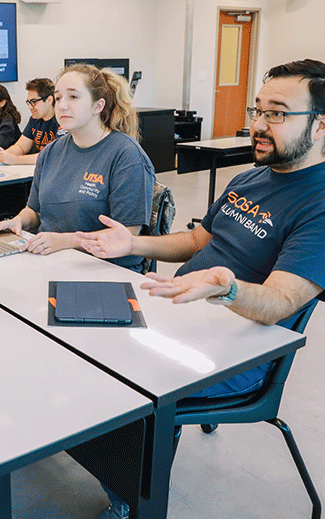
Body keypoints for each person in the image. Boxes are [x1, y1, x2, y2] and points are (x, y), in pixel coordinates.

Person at [78, 58, 325, 519]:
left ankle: (133, 503)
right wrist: (132, 241)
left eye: (277, 113)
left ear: (320, 125)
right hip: (182, 313)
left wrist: (225, 288)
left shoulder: (319, 203)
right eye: (257, 110)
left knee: (119, 378)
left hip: (241, 351)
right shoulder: (250, 177)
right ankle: (121, 476)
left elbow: (277, 305)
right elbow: (196, 241)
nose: (258, 124)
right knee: (80, 334)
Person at [0, 64, 155, 271]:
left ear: (98, 106)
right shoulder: (50, 152)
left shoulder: (126, 156)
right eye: (58, 98)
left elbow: (126, 235)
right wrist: (18, 221)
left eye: (73, 97)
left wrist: (65, 241)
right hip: (52, 260)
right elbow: (35, 211)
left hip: (106, 269)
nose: (62, 106)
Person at [0, 78, 66, 165]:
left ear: (49, 100)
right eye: (29, 102)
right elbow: (20, 147)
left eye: (34, 102)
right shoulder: (34, 119)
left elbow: (52, 156)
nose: (30, 107)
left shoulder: (62, 120)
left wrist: (15, 160)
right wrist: (3, 154)